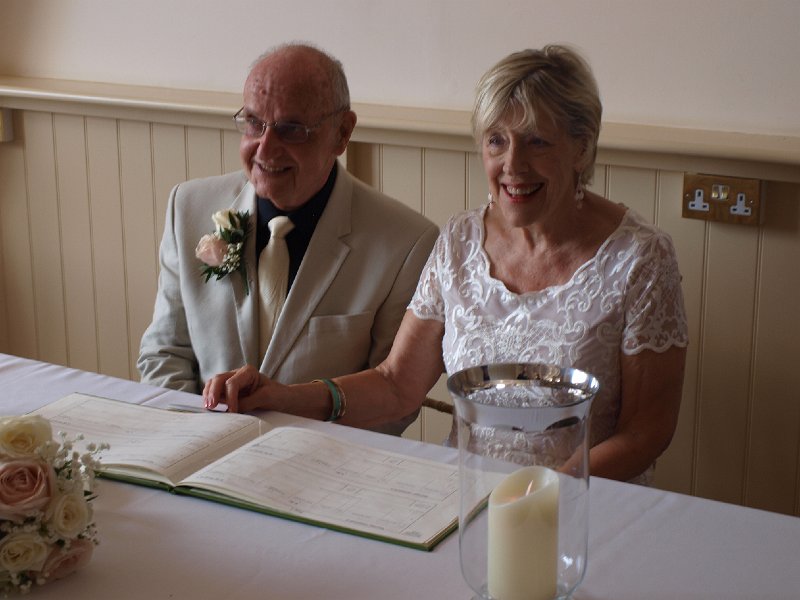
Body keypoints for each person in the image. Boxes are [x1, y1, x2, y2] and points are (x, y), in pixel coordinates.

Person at [204, 44, 688, 484]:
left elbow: (645, 433)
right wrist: (282, 397)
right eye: (496, 141)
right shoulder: (460, 240)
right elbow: (396, 385)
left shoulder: (641, 259)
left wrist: (544, 495)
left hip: (584, 503)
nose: (513, 165)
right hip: (462, 496)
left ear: (581, 147)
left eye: (537, 141)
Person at [137, 43, 438, 434]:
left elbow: (395, 404)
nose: (265, 148)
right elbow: (164, 353)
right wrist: (195, 434)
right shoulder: (189, 207)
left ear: (342, 133)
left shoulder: (406, 243)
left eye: (291, 130)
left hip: (326, 460)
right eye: (253, 122)